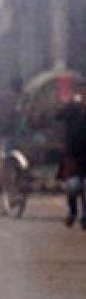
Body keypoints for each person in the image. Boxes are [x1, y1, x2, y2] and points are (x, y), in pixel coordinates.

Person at [56, 81, 86, 229]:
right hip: (73, 154)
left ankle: (85, 217)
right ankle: (72, 211)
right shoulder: (72, 109)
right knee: (73, 187)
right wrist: (69, 103)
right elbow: (58, 115)